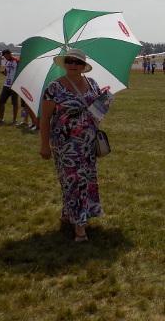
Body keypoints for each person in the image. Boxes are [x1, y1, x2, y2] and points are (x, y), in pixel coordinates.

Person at [39, 48, 113, 242]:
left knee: (85, 180)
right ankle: (80, 227)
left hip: (88, 144)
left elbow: (97, 113)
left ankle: (68, 214)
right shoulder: (54, 87)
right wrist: (44, 145)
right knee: (74, 181)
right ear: (64, 63)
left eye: (78, 62)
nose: (73, 65)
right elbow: (45, 119)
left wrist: (105, 102)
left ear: (84, 66)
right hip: (66, 145)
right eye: (70, 61)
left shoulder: (92, 83)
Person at [0, 49, 19, 125]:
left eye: (5, 55)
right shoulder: (7, 62)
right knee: (1, 101)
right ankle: (1, 119)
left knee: (14, 103)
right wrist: (1, 71)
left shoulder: (17, 61)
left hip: (14, 86)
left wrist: (15, 83)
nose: (5, 57)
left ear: (9, 54)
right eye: (4, 56)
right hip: (6, 85)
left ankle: (14, 120)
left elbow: (19, 73)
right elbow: (6, 73)